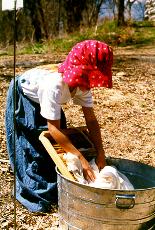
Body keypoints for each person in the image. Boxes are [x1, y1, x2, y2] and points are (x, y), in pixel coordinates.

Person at [5, 39, 113, 213]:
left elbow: (91, 120)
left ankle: (54, 181)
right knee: (32, 146)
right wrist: (82, 160)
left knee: (57, 149)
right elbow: (53, 130)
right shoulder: (54, 85)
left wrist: (100, 152)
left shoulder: (82, 85)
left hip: (47, 98)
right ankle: (31, 192)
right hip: (25, 97)